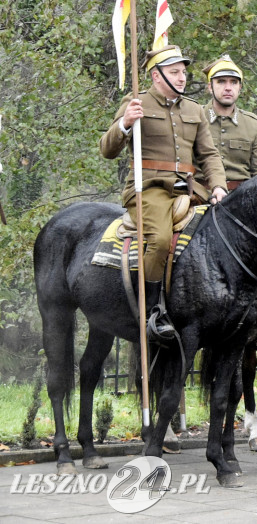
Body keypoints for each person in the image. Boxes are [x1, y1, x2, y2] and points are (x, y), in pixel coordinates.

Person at [100, 45, 227, 338]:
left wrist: (218, 185)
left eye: (183, 72)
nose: (182, 78)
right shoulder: (137, 103)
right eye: (174, 72)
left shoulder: (195, 109)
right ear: (156, 76)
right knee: (158, 241)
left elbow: (208, 155)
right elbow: (107, 150)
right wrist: (125, 123)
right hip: (149, 189)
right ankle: (152, 310)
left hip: (190, 191)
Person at [196, 55, 257, 192]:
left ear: (240, 87)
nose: (228, 88)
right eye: (221, 82)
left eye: (234, 82)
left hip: (240, 199)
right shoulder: (194, 117)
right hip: (201, 196)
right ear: (210, 87)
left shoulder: (252, 124)